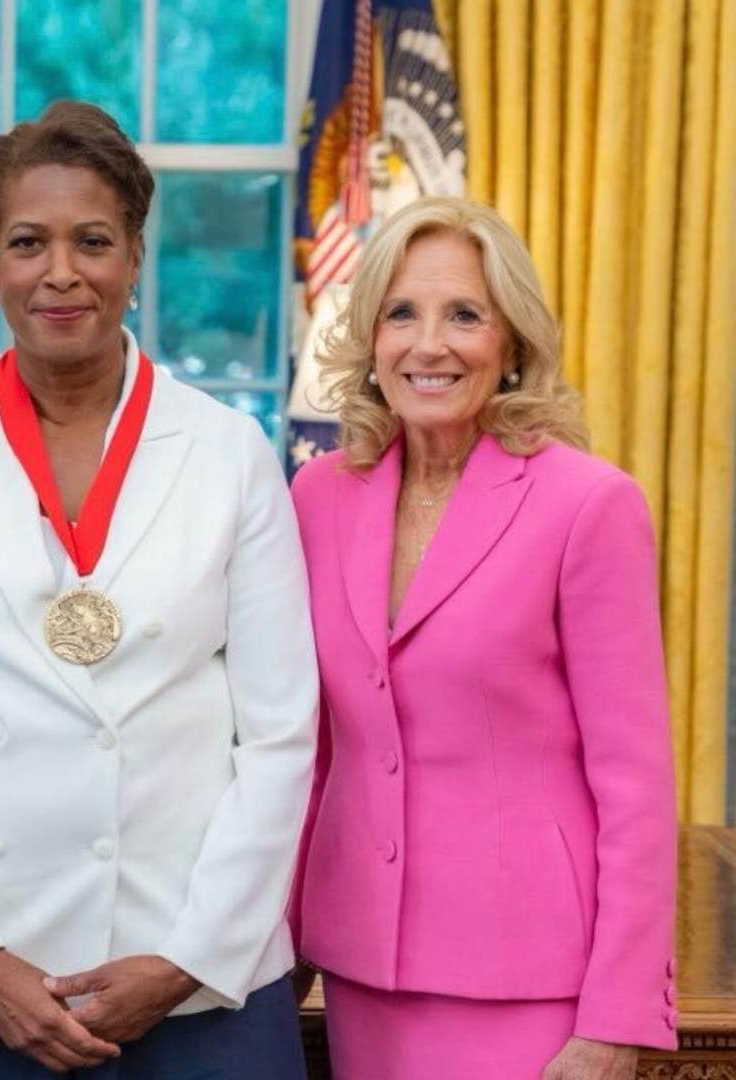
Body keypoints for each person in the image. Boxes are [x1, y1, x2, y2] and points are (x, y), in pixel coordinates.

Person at [0, 100, 317, 1078]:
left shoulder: (229, 454)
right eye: (27, 242)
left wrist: (186, 958)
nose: (60, 271)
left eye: (92, 240)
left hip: (191, 977)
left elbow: (279, 735)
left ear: (135, 257)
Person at [288, 196, 678, 1079]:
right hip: (359, 969)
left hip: (530, 982)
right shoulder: (317, 499)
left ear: (510, 344)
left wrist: (617, 1013)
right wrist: (278, 941)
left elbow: (635, 782)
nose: (430, 344)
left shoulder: (589, 505)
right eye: (402, 313)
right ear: (371, 339)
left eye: (464, 314)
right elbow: (312, 751)